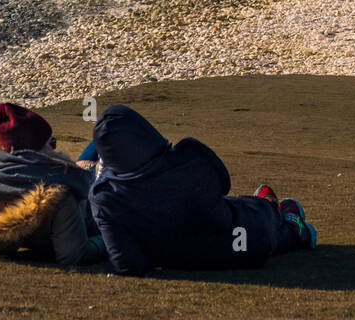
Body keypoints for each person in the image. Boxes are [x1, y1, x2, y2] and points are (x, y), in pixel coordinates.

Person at [87, 103, 316, 276]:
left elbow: (127, 263)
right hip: (239, 243)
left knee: (252, 221)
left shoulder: (105, 197)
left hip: (178, 257)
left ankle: (279, 216)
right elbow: (223, 186)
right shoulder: (189, 155)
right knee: (262, 223)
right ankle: (289, 221)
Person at [0, 102, 107, 269]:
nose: (55, 150)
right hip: (97, 205)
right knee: (109, 126)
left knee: (101, 137)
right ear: (36, 151)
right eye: (51, 143)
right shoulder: (58, 193)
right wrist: (109, 240)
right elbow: (74, 255)